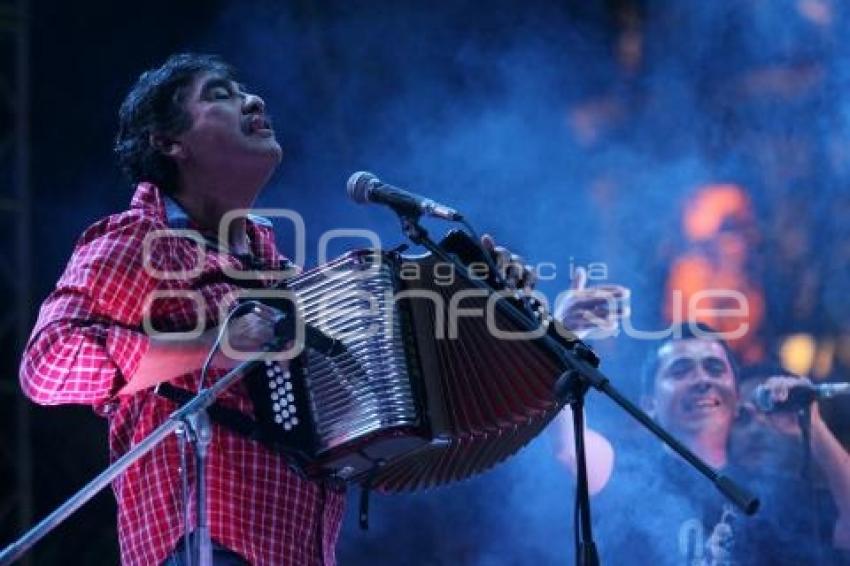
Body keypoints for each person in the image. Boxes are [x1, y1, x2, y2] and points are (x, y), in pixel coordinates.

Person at [19, 53, 343, 566]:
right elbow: (48, 365)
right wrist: (212, 346)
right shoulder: (140, 241)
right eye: (220, 94)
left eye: (244, 91)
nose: (253, 100)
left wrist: (492, 302)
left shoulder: (287, 279)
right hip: (203, 548)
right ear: (170, 143)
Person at [552, 322, 850, 565]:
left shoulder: (773, 490)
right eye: (681, 370)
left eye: (715, 368)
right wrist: (560, 344)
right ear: (649, 403)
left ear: (736, 399)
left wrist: (815, 428)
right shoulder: (629, 472)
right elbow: (569, 450)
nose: (702, 380)